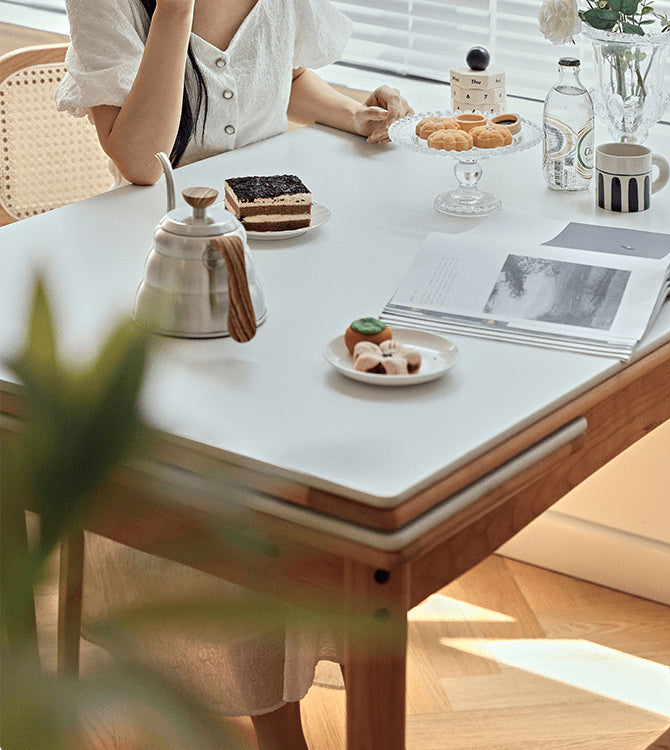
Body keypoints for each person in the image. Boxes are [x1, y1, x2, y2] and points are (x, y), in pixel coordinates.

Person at [55, 1, 413, 748]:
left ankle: (334, 656)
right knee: (232, 484)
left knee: (331, 456)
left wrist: (353, 113)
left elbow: (277, 78)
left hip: (283, 266)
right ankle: (272, 723)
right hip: (162, 278)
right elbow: (139, 154)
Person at [56, 0, 413, 186]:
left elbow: (281, 77)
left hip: (274, 216)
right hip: (160, 234)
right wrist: (175, 10)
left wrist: (354, 116)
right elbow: (143, 165)